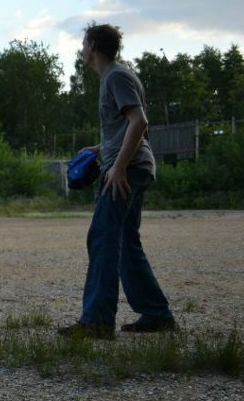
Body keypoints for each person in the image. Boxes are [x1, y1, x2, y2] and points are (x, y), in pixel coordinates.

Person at [59, 23, 176, 339]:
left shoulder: (116, 76)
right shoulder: (116, 77)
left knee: (102, 237)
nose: (82, 49)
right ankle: (156, 314)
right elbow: (128, 126)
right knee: (125, 241)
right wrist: (99, 148)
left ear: (93, 45)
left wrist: (120, 167)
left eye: (83, 43)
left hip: (126, 171)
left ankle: (97, 322)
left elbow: (140, 122)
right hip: (131, 165)